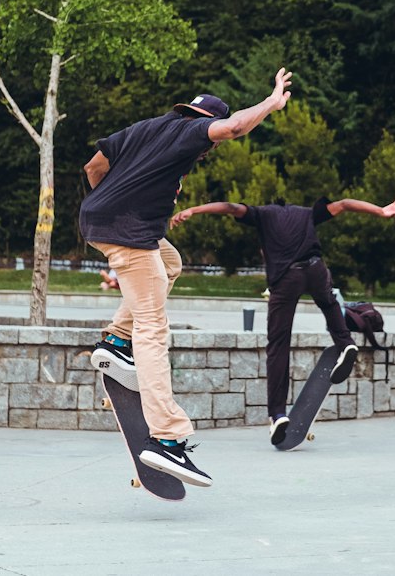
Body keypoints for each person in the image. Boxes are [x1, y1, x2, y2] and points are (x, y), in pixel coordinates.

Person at [80, 67, 293, 488]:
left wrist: (111, 200)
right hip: (129, 235)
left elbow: (94, 165)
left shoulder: (147, 128)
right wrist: (271, 102)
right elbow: (232, 128)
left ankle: (116, 340)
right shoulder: (192, 133)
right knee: (154, 329)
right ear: (202, 124)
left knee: (170, 262)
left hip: (101, 221)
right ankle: (167, 437)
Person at [171, 193, 395, 445]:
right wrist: (381, 211)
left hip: (287, 278)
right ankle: (345, 342)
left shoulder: (261, 214)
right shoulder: (307, 213)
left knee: (278, 345)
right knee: (327, 301)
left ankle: (277, 415)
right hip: (316, 268)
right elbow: (345, 204)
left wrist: (194, 210)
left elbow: (229, 207)